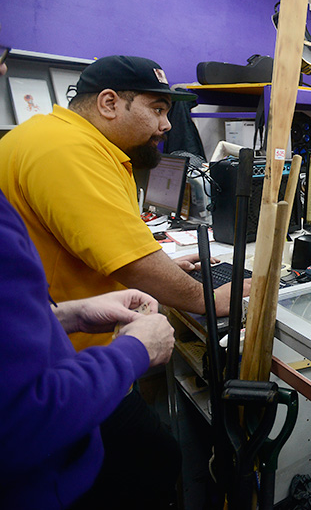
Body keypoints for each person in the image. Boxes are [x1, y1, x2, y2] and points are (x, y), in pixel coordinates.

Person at [0, 54, 248, 351]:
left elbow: (107, 250)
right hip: (64, 360)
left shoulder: (50, 134)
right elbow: (133, 264)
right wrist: (208, 298)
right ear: (109, 104)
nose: (166, 125)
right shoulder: (70, 150)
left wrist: (162, 268)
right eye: (157, 109)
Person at [0, 188, 177, 508]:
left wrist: (70, 315)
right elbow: (22, 414)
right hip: (42, 487)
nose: (164, 133)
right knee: (159, 454)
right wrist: (137, 349)